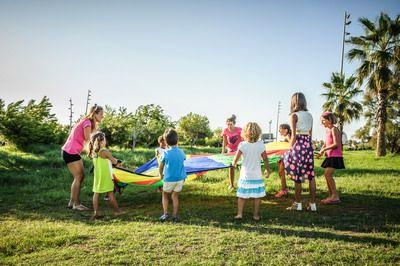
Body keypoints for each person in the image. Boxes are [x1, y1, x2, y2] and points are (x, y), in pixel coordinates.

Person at [62, 104, 104, 211]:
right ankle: (76, 204)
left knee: (81, 176)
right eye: (101, 114)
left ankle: (72, 201)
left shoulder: (88, 122)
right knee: (79, 177)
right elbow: (87, 137)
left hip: (72, 151)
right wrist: (98, 139)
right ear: (94, 114)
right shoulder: (87, 122)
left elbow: (86, 138)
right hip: (70, 151)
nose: (102, 116)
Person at [283, 92, 317, 211]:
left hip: (298, 145)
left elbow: (293, 136)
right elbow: (310, 134)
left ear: (293, 102)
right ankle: (313, 205)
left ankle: (297, 204)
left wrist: (289, 150)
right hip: (308, 144)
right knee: (311, 175)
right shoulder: (310, 115)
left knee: (298, 175)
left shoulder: (294, 115)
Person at [232, 122, 270, 221]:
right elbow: (265, 159)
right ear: (258, 133)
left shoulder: (242, 145)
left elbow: (235, 158)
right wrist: (267, 169)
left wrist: (234, 163)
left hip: (245, 175)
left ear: (245, 133)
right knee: (257, 197)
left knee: (242, 196)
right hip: (256, 175)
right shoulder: (261, 145)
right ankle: (256, 216)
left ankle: (239, 214)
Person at [89, 132, 123, 219]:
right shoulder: (104, 151)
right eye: (104, 139)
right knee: (110, 193)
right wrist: (118, 162)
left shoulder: (94, 152)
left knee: (96, 193)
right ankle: (117, 211)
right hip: (106, 175)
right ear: (101, 141)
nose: (105, 140)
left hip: (98, 176)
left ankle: (96, 212)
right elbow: (114, 161)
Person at [316, 111, 345, 204]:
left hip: (335, 156)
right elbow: (326, 143)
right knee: (326, 174)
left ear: (329, 120)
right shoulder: (327, 130)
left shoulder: (334, 129)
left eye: (323, 121)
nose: (322, 123)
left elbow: (336, 144)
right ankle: (331, 196)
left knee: (328, 174)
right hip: (330, 156)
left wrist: (324, 150)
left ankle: (335, 196)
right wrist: (321, 151)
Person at [159, 129, 187, 222]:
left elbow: (161, 167)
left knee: (165, 194)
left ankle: (165, 214)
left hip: (169, 179)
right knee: (175, 196)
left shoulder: (165, 153)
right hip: (180, 179)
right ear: (177, 140)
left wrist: (161, 175)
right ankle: (175, 215)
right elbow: (183, 159)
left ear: (165, 141)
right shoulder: (181, 152)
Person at [221, 114, 243, 190]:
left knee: (241, 167)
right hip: (230, 151)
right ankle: (231, 185)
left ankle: (242, 183)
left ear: (234, 123)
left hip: (239, 151)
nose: (229, 126)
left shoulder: (239, 130)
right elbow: (224, 142)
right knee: (231, 167)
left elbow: (243, 140)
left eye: (231, 124)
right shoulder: (225, 130)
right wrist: (223, 152)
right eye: (228, 124)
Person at [275, 124, 291, 198]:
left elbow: (291, 145)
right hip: (282, 157)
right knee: (281, 173)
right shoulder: (284, 137)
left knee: (281, 172)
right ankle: (285, 188)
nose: (279, 131)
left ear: (286, 130)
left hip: (287, 157)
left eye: (280, 129)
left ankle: (283, 190)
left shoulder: (288, 136)